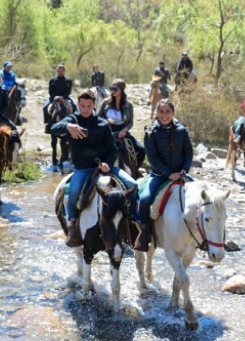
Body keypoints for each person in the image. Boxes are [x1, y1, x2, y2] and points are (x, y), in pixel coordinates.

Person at [51, 89, 139, 247]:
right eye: (82, 106)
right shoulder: (73, 120)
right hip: (83, 168)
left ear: (94, 105)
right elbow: (54, 128)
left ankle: (133, 222)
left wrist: (108, 163)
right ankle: (72, 225)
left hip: (105, 167)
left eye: (89, 106)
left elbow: (113, 150)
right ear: (78, 104)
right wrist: (68, 126)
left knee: (133, 184)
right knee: (73, 192)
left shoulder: (103, 124)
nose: (85, 109)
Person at [136, 99, 193, 251]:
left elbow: (188, 153)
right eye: (161, 111)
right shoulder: (150, 132)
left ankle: (205, 234)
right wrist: (169, 174)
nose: (164, 115)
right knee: (145, 198)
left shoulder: (182, 131)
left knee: (202, 195)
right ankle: (144, 232)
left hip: (181, 174)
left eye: (168, 111)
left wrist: (184, 170)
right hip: (159, 175)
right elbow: (153, 159)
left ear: (173, 113)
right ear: (157, 113)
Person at [99, 79, 146, 175]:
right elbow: (98, 118)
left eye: (115, 89)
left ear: (121, 90)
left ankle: (135, 170)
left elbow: (130, 123)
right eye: (111, 88)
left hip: (123, 131)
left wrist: (124, 130)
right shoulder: (105, 103)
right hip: (108, 131)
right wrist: (106, 121)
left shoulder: (128, 105)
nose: (112, 91)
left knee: (141, 149)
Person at [43, 64, 76, 134]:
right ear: (56, 71)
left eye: (61, 71)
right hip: (53, 98)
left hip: (65, 97)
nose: (60, 72)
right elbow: (50, 91)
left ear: (64, 71)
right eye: (59, 71)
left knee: (74, 106)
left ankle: (74, 122)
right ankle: (47, 123)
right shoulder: (52, 80)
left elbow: (68, 91)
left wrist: (62, 97)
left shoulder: (68, 81)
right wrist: (54, 97)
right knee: (45, 107)